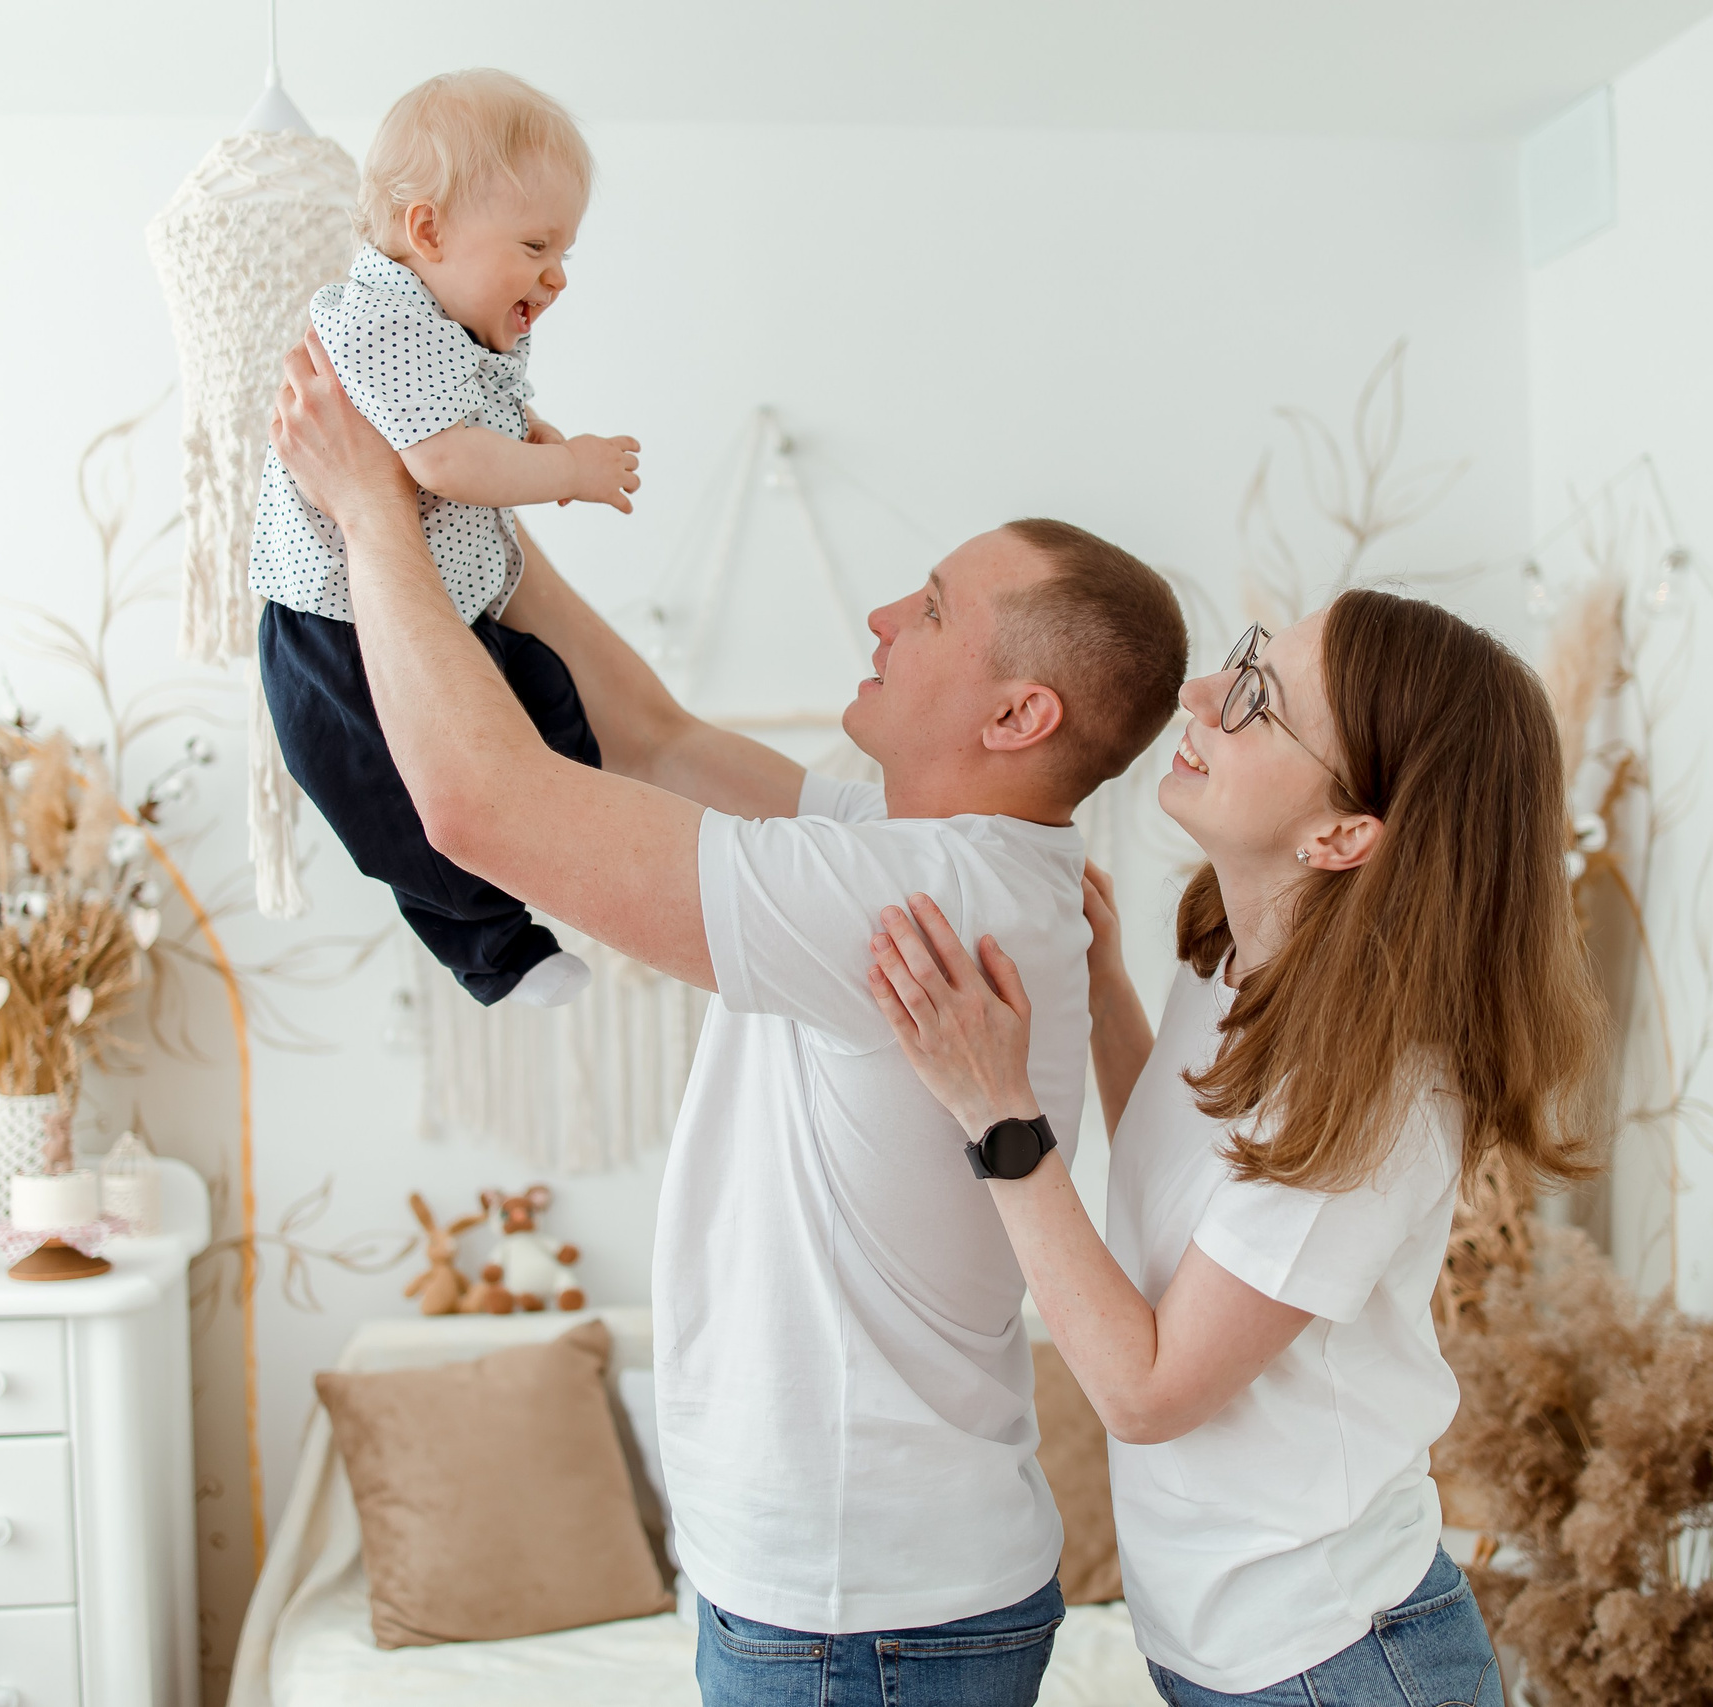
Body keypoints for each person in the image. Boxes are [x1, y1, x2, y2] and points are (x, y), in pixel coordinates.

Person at [266, 336, 1190, 1707]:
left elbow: (482, 804)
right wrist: (480, 532)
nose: (884, 613)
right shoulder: (939, 846)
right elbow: (652, 731)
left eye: (932, 609)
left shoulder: (909, 894)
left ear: (1019, 711)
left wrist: (367, 517)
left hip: (854, 1615)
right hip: (869, 1593)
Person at [861, 594, 1605, 1707]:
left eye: (1258, 703)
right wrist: (1105, 987)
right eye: (1244, 661)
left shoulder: (1376, 1098)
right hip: (1237, 1652)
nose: (1202, 696)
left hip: (1334, 1664)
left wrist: (996, 1114)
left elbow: (1148, 1393)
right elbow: (1185, 1170)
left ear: (1344, 835)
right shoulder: (1238, 965)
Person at [249, 68, 643, 1009]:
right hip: (335, 630)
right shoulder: (382, 317)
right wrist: (569, 473)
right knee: (396, 806)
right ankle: (495, 952)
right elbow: (447, 462)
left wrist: (536, 437)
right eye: (538, 245)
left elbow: (480, 424)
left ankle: (547, 871)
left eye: (566, 254)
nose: (555, 276)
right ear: (428, 233)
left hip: (431, 610)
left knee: (546, 707)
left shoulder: (444, 321)